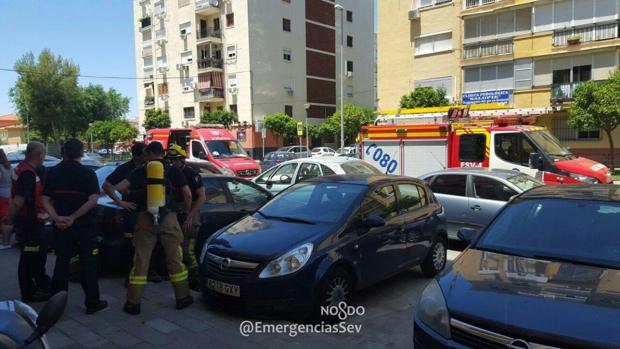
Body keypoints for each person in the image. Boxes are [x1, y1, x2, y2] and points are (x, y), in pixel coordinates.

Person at [114, 142, 193, 315]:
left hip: (144, 218)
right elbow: (187, 194)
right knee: (174, 260)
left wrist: (128, 198)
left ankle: (133, 303)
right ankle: (182, 298)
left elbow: (119, 188)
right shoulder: (173, 170)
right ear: (162, 154)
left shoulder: (141, 170)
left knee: (141, 261)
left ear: (149, 153)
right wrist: (184, 211)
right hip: (169, 218)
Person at [42, 139, 108, 314]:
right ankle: (92, 303)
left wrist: (57, 218)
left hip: (61, 227)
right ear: (81, 153)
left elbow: (45, 199)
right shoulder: (87, 174)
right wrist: (73, 217)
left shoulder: (53, 173)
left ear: (63, 152)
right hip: (85, 226)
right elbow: (93, 199)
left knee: (61, 264)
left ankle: (56, 307)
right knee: (88, 264)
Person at [4, 142, 51, 302]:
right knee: (29, 258)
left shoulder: (22, 168)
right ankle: (29, 292)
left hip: (30, 221)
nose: (44, 157)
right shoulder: (28, 174)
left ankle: (41, 285)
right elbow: (18, 201)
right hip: (29, 223)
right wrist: (9, 219)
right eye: (43, 154)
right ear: (39, 155)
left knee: (36, 256)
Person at [166, 144, 205, 291]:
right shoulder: (169, 173)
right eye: (169, 159)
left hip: (190, 215)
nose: (171, 162)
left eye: (175, 159)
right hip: (175, 214)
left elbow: (201, 197)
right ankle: (181, 280)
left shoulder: (191, 174)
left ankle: (194, 280)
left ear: (182, 159)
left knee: (188, 250)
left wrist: (190, 216)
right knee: (177, 250)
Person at [0, 149, 13, 249]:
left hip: (1, 195)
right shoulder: (9, 166)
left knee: (3, 220)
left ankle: (5, 242)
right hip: (9, 194)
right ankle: (6, 241)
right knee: (6, 218)